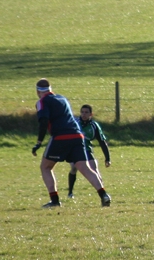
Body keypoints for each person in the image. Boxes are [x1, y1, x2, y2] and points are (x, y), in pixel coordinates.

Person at [31, 79, 111, 208]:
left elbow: (44, 121)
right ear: (51, 89)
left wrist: (39, 141)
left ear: (37, 91)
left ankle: (55, 201)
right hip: (77, 135)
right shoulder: (62, 98)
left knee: (45, 167)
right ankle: (104, 195)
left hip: (60, 136)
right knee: (85, 168)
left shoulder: (42, 102)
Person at [67, 104, 111, 199]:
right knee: (74, 168)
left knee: (95, 171)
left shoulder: (94, 126)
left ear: (91, 114)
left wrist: (107, 158)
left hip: (87, 150)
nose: (84, 114)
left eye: (86, 112)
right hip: (75, 150)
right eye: (82, 112)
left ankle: (103, 195)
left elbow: (102, 142)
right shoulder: (74, 123)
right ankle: (70, 192)